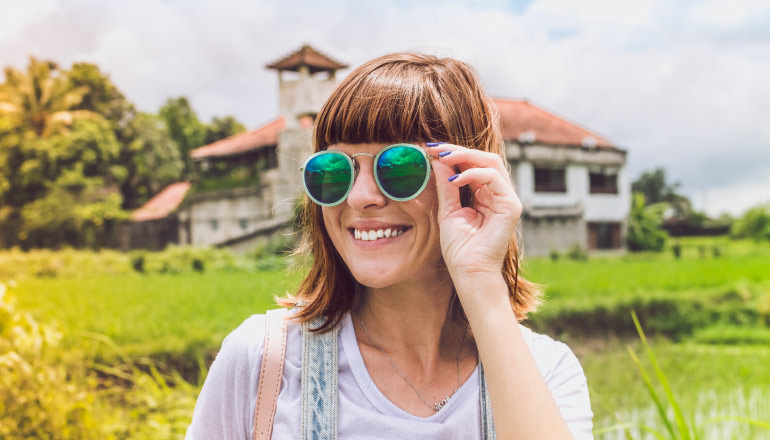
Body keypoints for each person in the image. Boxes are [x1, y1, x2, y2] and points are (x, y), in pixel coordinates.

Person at [186, 52, 593, 439]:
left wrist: (482, 281)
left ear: (468, 181)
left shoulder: (545, 372)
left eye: (398, 167)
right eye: (333, 170)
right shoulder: (262, 360)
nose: (361, 196)